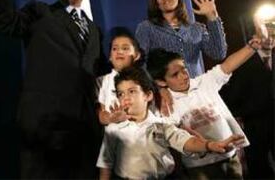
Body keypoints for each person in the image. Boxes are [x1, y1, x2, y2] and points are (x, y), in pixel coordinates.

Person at [0, 0, 106, 178]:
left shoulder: (95, 31)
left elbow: (100, 75)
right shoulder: (40, 13)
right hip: (43, 130)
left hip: (84, 134)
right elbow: (2, 21)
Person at [97, 66, 245, 180]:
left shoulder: (162, 125)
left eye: (132, 91)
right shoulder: (114, 128)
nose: (125, 98)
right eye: (121, 94)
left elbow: (186, 141)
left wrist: (209, 145)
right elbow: (106, 163)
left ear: (148, 95)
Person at [146, 37, 263, 179]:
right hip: (200, 166)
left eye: (184, 69)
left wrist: (252, 46)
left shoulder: (203, 83)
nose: (183, 76)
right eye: (175, 75)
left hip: (230, 156)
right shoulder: (164, 104)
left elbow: (227, 66)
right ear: (161, 81)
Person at [135, 0, 227, 79]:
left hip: (196, 88)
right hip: (166, 91)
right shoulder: (146, 27)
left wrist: (212, 18)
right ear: (156, 3)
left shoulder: (196, 28)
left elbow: (218, 53)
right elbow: (140, 63)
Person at [222, 17, 275, 179]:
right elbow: (232, 92)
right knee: (258, 165)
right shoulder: (241, 59)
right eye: (267, 35)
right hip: (254, 123)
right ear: (256, 34)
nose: (270, 39)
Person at [97, 29, 142, 125]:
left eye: (125, 48)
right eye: (114, 49)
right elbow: (101, 113)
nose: (119, 51)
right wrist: (110, 118)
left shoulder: (143, 78)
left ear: (136, 55)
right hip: (115, 136)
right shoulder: (104, 81)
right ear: (110, 56)